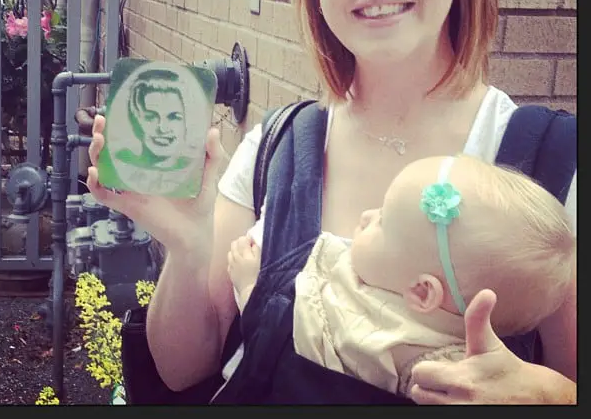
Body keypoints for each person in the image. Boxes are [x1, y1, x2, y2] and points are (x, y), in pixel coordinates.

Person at [87, 0, 577, 404]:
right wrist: (188, 243)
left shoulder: (557, 163)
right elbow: (181, 372)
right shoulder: (273, 148)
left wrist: (546, 394)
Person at [227, 154, 575, 398]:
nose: (366, 215)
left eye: (382, 221)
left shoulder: (433, 370)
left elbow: (280, 334)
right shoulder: (373, 283)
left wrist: (250, 291)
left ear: (422, 292)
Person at [115, 68, 189, 171]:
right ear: (135, 120)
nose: (162, 128)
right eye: (150, 117)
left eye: (174, 117)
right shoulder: (119, 166)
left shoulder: (197, 171)